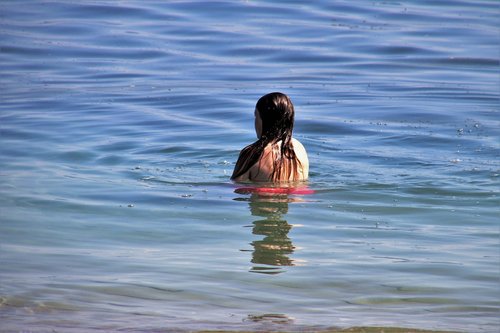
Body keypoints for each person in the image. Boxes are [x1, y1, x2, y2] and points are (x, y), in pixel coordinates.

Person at [231, 92, 309, 182]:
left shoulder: (252, 153)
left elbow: (237, 188)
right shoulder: (299, 148)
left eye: (256, 116)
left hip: (265, 196)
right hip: (295, 196)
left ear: (265, 120)